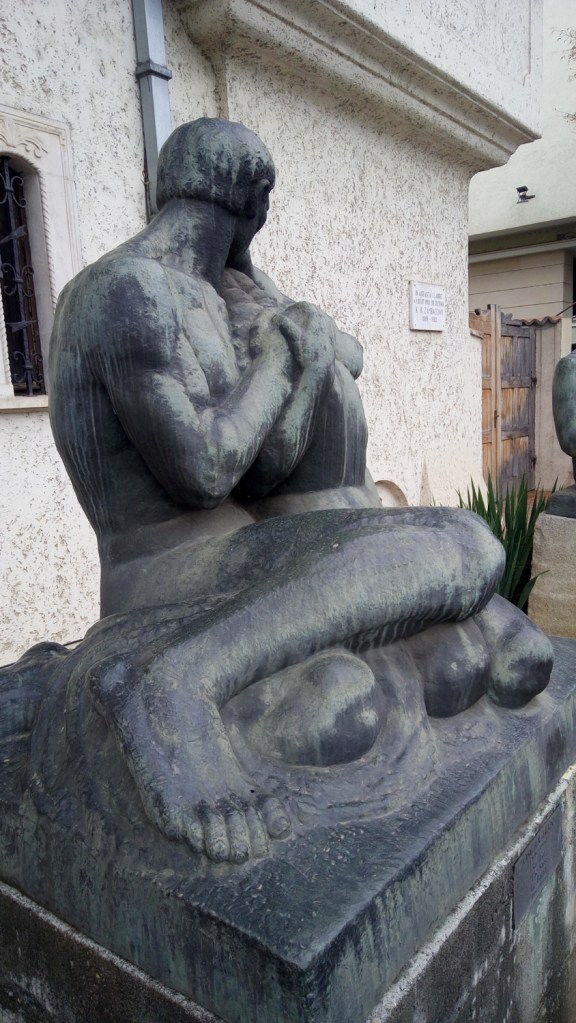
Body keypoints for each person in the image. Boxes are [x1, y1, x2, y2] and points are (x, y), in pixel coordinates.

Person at [44, 119, 551, 862]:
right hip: (164, 573)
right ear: (253, 205)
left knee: (473, 581)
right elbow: (207, 469)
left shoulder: (208, 292)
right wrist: (286, 355)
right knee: (470, 545)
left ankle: (248, 665)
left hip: (245, 547)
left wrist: (279, 313)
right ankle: (176, 684)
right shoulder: (127, 293)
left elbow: (323, 385)